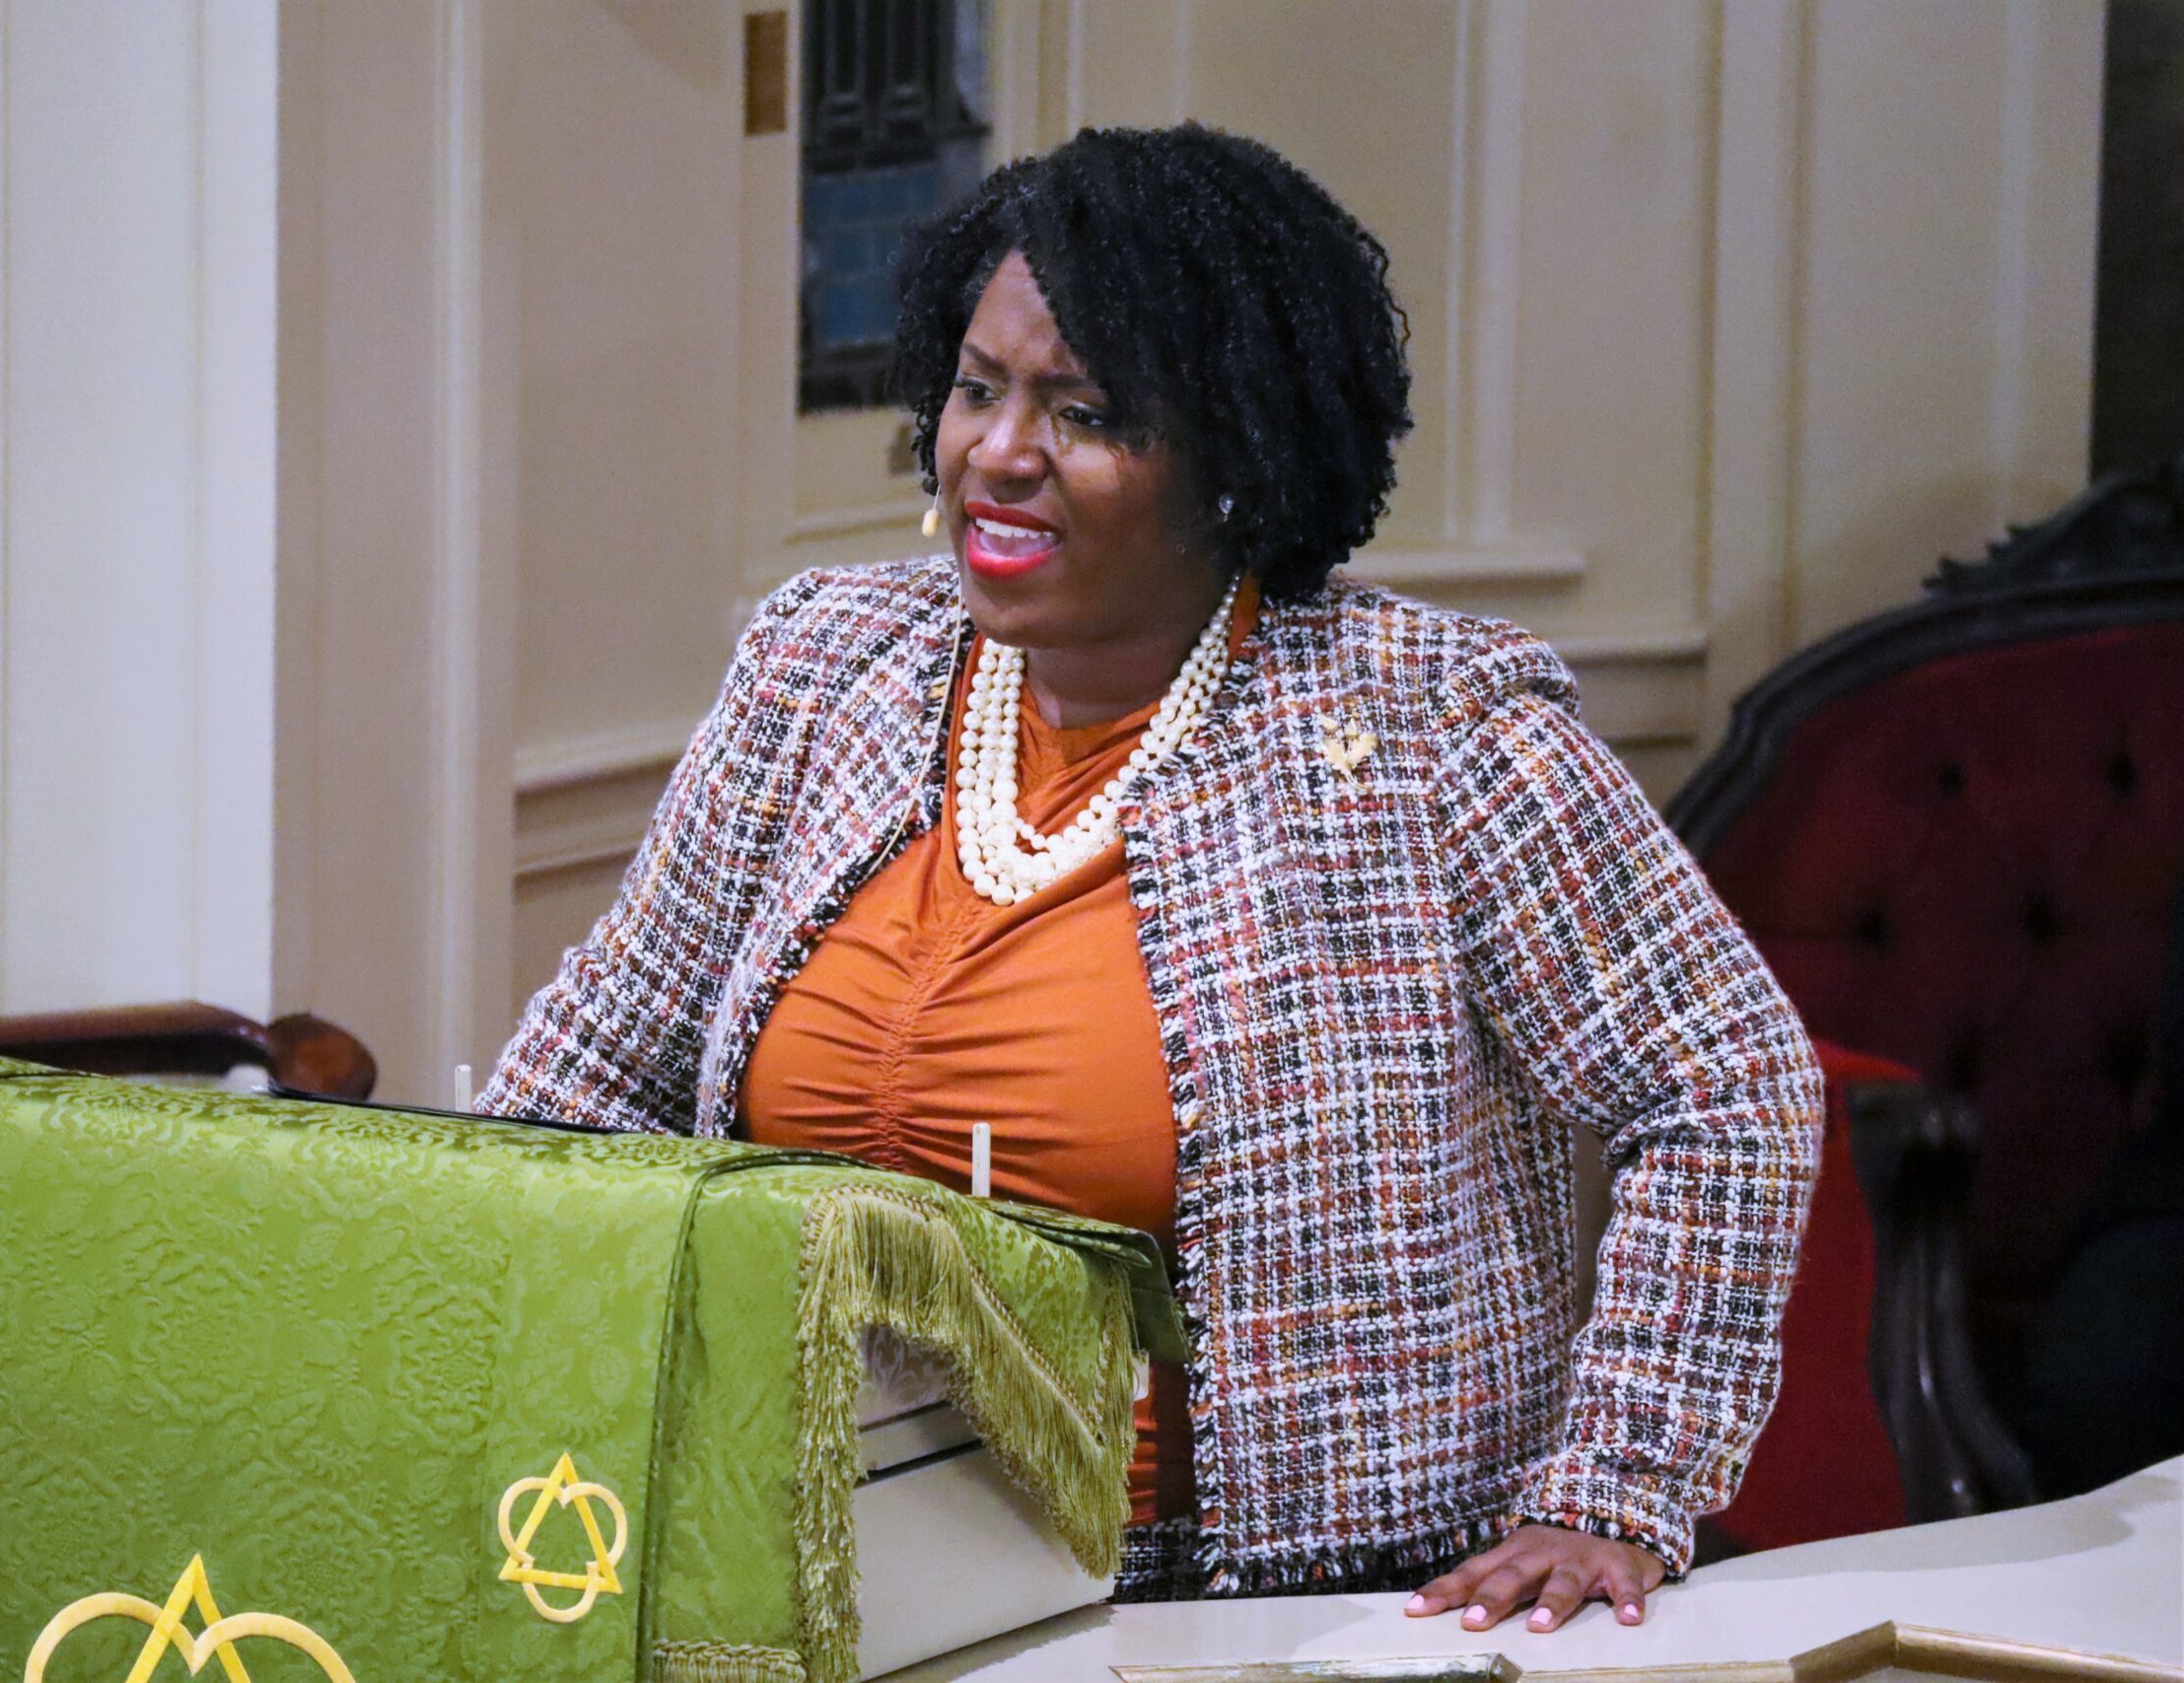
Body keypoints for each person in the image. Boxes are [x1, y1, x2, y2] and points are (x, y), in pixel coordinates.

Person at [480, 123, 1821, 1633]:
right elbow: (593, 1071)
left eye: (1086, 411)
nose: (999, 449)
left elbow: (1725, 1082)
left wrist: (1610, 1489)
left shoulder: (1429, 731)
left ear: (1239, 452)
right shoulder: (823, 664)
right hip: (797, 1570)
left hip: (1256, 1611)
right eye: (978, 390)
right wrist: (480, 1356)